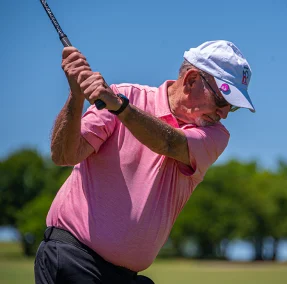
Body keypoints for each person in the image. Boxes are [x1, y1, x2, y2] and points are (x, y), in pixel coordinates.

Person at [34, 40, 256, 284]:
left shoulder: (216, 135)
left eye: (233, 108)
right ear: (192, 80)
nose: (224, 114)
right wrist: (76, 97)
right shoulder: (125, 95)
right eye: (222, 101)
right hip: (72, 258)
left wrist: (120, 108)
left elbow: (169, 143)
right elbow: (63, 155)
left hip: (127, 277)